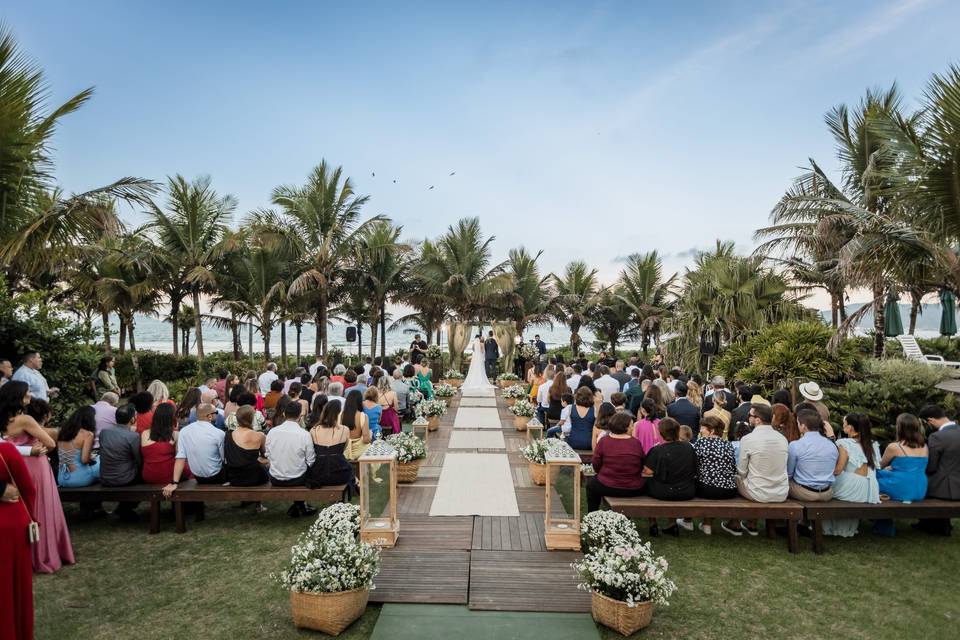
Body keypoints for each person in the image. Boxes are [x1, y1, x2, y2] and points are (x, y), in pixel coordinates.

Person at [14, 399, 74, 573]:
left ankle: (31, 553)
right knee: (45, 508)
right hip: (38, 467)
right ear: (46, 415)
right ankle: (47, 552)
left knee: (28, 508)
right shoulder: (47, 431)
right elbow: (55, 446)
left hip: (23, 466)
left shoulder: (13, 426)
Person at [723, 404, 788, 536]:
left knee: (734, 479)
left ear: (757, 420)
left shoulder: (748, 439)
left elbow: (741, 471)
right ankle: (751, 522)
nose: (748, 418)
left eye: (750, 416)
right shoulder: (782, 439)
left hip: (758, 492)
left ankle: (734, 522)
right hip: (781, 491)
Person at [822, 413, 881, 537]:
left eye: (844, 424)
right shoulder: (872, 444)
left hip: (852, 487)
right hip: (870, 488)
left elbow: (838, 470)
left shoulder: (844, 443)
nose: (843, 426)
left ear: (851, 428)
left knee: (825, 486)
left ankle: (827, 527)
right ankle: (846, 529)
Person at [0, 439, 36, 640]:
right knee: (11, 589)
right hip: (10, 526)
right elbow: (28, 489)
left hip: (10, 525)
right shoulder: (6, 450)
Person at [643, 418, 697, 536]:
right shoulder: (689, 448)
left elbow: (647, 471)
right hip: (686, 490)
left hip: (664, 491)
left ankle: (653, 523)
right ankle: (672, 524)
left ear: (661, 433)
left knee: (647, 484)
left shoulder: (657, 450)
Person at [162, 403, 226, 498]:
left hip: (198, 477)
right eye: (216, 412)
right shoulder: (219, 433)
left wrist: (175, 482)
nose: (218, 414)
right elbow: (224, 459)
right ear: (209, 416)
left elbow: (180, 457)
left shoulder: (184, 431)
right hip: (217, 476)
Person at [915, 404, 960, 536]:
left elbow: (931, 467)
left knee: (920, 482)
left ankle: (932, 525)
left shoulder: (937, 437)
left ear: (931, 420)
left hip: (945, 488)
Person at [586, 412, 645, 512]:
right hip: (632, 488)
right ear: (624, 427)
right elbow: (641, 464)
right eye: (631, 426)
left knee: (591, 485)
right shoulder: (636, 443)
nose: (632, 428)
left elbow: (596, 464)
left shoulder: (604, 441)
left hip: (607, 485)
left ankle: (593, 514)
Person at [266, 402, 316, 517]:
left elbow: (268, 454)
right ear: (300, 416)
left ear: (284, 414)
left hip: (276, 477)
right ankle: (300, 505)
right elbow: (311, 460)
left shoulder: (272, 432)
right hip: (296, 478)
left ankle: (299, 505)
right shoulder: (304, 434)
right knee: (307, 470)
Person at [786, 410, 839, 502]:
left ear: (803, 426)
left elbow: (789, 474)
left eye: (798, 423)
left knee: (781, 484)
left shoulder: (795, 445)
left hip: (804, 492)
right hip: (827, 493)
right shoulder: (831, 445)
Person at [306, 401, 356, 496]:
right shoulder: (344, 430)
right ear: (338, 414)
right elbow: (343, 449)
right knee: (350, 470)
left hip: (319, 474)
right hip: (339, 473)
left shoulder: (314, 430)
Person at [878, 413, 928, 502]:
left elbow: (879, 466)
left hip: (901, 486)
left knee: (873, 477)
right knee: (884, 473)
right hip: (919, 489)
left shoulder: (894, 447)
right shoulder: (924, 446)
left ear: (899, 428)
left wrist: (886, 468)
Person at [141, 403, 191, 486]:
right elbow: (179, 458)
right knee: (188, 470)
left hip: (149, 475)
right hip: (169, 475)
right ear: (172, 418)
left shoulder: (145, 434)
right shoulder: (175, 435)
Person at [692, 415, 737, 506]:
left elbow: (693, 465)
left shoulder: (701, 442)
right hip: (729, 490)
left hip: (707, 489)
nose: (700, 430)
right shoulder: (728, 444)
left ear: (712, 431)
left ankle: (689, 519)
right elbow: (733, 467)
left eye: (703, 428)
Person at [224, 406, 268, 490]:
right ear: (252, 418)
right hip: (254, 478)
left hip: (234, 478)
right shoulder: (259, 435)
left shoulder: (228, 434)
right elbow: (265, 455)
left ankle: (250, 502)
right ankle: (256, 502)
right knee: (266, 464)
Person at [56, 407, 100, 487]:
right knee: (100, 460)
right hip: (79, 479)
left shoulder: (62, 432)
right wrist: (92, 459)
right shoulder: (87, 434)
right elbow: (84, 460)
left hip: (62, 479)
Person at [342, 389, 372, 460]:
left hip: (343, 450)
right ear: (360, 401)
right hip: (360, 452)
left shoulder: (340, 415)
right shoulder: (363, 416)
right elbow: (366, 440)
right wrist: (370, 434)